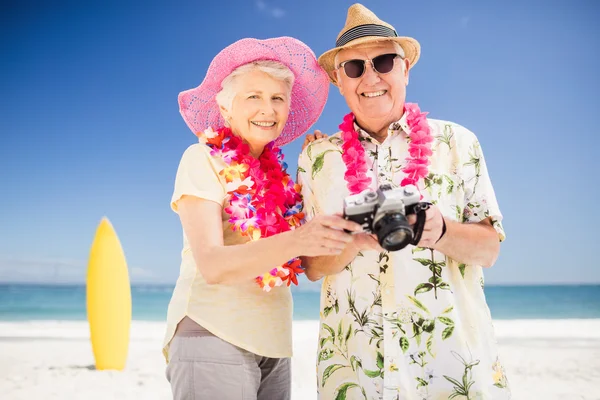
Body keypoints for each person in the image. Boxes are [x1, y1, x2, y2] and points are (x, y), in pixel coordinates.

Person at [298, 4, 512, 399]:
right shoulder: (316, 158)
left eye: (383, 61)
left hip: (450, 366)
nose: (371, 77)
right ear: (337, 80)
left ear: (405, 70)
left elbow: (489, 250)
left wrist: (440, 231)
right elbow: (310, 266)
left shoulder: (457, 142)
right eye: (354, 68)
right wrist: (351, 241)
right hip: (355, 369)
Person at [163, 36, 362, 400]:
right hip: (213, 333)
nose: (266, 109)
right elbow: (213, 265)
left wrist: (316, 170)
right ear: (226, 109)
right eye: (253, 97)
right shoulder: (202, 159)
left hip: (274, 344)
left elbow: (310, 263)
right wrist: (298, 239)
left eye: (277, 99)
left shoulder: (283, 183)